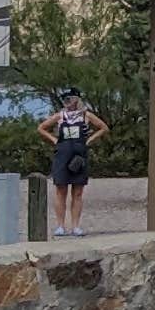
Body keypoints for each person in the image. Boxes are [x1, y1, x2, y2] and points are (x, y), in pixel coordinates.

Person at [46, 89, 104, 238]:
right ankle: (60, 225)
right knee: (61, 191)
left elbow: (103, 127)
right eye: (65, 99)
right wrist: (54, 140)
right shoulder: (60, 116)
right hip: (62, 154)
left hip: (79, 155)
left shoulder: (85, 115)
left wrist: (90, 140)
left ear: (77, 99)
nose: (67, 101)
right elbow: (41, 128)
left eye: (70, 98)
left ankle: (76, 226)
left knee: (77, 192)